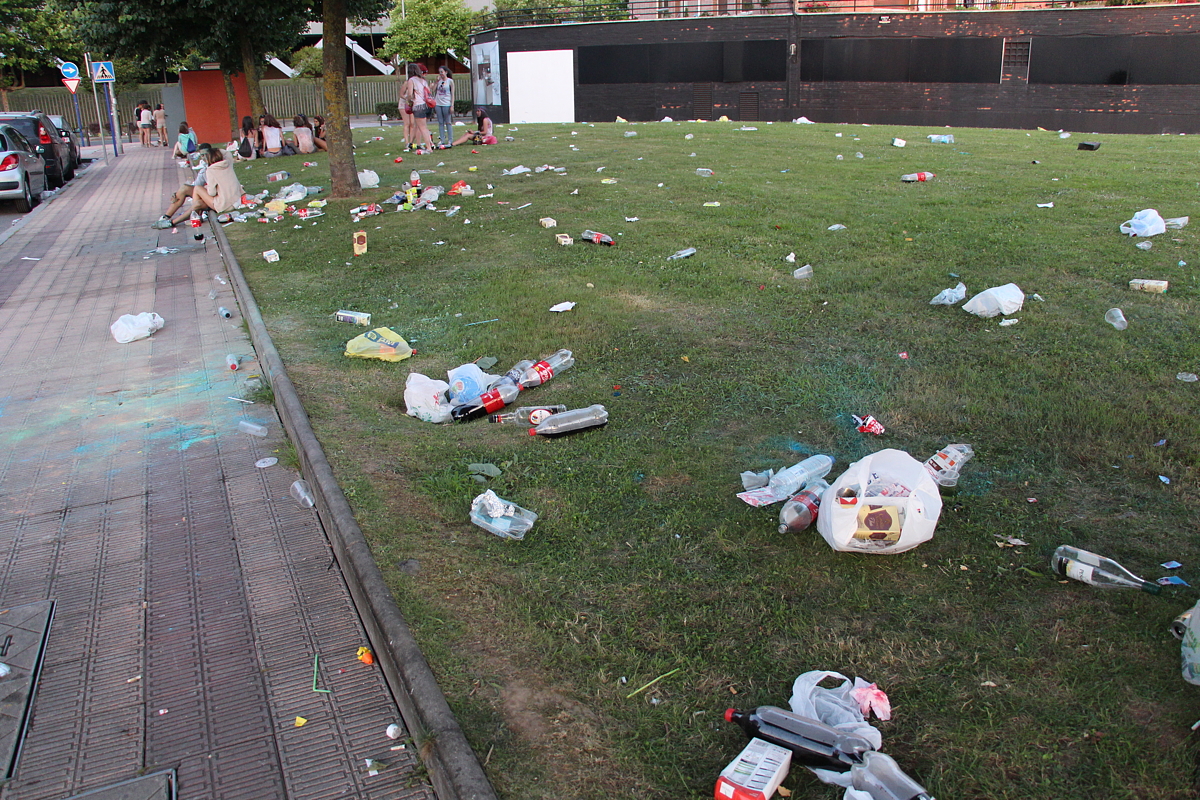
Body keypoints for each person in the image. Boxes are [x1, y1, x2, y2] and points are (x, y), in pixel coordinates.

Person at [152, 143, 215, 228]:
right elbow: (197, 185)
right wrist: (177, 193)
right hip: (206, 194)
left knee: (198, 202)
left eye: (206, 155)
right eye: (202, 155)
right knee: (184, 188)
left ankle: (172, 223)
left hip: (214, 197)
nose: (204, 158)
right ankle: (166, 217)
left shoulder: (216, 167)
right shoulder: (204, 169)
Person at [401, 64, 435, 153]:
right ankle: (430, 144)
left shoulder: (411, 80)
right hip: (428, 105)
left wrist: (409, 100)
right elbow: (428, 92)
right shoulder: (423, 80)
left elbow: (410, 94)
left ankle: (428, 148)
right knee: (425, 127)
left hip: (419, 105)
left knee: (422, 127)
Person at [433, 66, 454, 147]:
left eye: (442, 72)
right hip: (438, 103)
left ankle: (450, 140)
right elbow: (434, 89)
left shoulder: (450, 81)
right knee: (440, 122)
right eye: (439, 72)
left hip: (446, 104)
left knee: (448, 122)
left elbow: (452, 94)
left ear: (446, 72)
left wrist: (452, 105)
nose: (441, 74)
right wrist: (436, 81)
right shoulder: (439, 81)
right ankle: (442, 139)